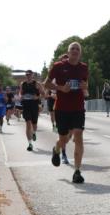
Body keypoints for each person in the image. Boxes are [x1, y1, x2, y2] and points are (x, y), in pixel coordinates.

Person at [45, 43, 89, 184]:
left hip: (78, 108)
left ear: (80, 53)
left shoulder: (84, 67)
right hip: (62, 108)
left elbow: (85, 84)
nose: (75, 51)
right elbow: (46, 84)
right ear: (68, 53)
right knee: (64, 140)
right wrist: (60, 88)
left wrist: (84, 86)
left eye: (78, 49)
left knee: (78, 135)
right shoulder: (58, 66)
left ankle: (77, 171)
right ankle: (56, 149)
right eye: (72, 49)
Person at [20, 70, 43, 151]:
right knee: (28, 124)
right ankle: (30, 144)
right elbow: (20, 93)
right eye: (26, 75)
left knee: (34, 125)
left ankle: (34, 133)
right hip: (26, 105)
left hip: (34, 106)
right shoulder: (23, 84)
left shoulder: (37, 84)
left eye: (29, 74)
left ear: (32, 75)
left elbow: (43, 94)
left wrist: (37, 97)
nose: (28, 76)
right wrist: (21, 96)